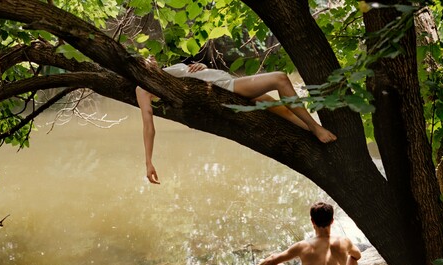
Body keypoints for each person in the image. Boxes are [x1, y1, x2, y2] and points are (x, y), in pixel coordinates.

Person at [136, 59, 337, 184]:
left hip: (224, 81)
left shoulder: (163, 73)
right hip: (227, 87)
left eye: (148, 57)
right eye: (143, 60)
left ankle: (313, 133)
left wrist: (200, 68)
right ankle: (315, 127)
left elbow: (193, 80)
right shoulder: (142, 88)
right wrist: (148, 163)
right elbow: (148, 126)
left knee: (283, 111)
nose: (149, 59)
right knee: (280, 79)